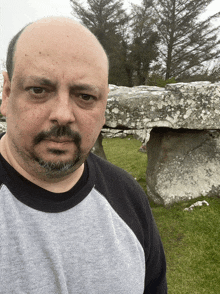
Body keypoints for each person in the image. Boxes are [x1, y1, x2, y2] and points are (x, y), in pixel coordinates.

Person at [0, 17, 167, 293]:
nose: (63, 115)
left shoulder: (128, 197)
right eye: (39, 90)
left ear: (104, 106)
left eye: (85, 96)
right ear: (7, 94)